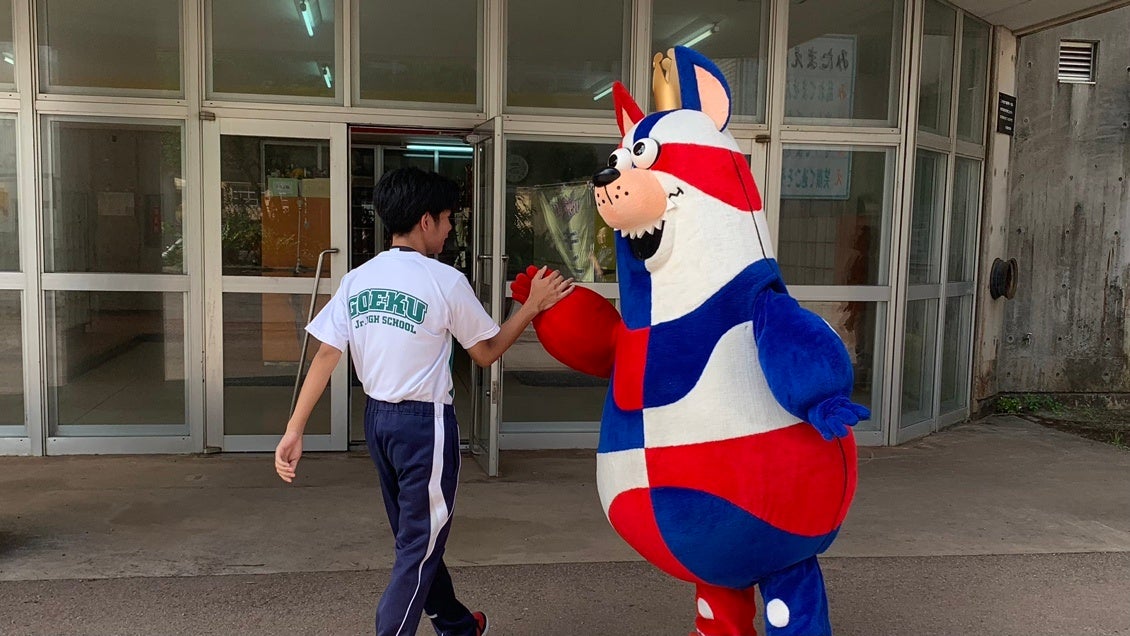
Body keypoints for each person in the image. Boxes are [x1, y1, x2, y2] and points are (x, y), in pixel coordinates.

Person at [274, 167, 573, 636]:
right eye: (449, 219)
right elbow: (486, 352)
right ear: (426, 220)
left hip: (377, 422)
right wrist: (532, 306)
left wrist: (294, 429)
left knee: (417, 536)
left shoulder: (358, 279)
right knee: (418, 545)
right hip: (423, 427)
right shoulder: (444, 280)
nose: (451, 229)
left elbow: (327, 354)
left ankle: (456, 625)